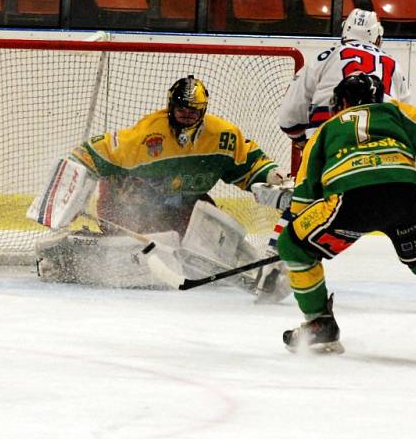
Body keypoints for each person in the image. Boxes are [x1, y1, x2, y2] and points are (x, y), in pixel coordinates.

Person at [258, 72, 416, 360]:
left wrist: (298, 238)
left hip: (350, 204)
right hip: (404, 200)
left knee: (292, 245)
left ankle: (320, 324)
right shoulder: (396, 112)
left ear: (340, 102)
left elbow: (305, 194)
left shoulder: (326, 129)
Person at [27, 75, 290, 300]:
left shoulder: (223, 137)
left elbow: (252, 164)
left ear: (203, 110)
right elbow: (88, 153)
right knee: (144, 251)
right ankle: (62, 255)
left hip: (183, 204)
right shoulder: (146, 137)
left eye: (194, 110)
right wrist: (66, 196)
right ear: (170, 107)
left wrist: (272, 177)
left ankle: (257, 272)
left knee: (204, 236)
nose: (187, 115)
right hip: (126, 203)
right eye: (181, 109)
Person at [278, 8, 412, 151]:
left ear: (345, 30)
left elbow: (290, 115)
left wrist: (302, 141)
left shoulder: (324, 57)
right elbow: (405, 117)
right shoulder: (395, 66)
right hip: (381, 149)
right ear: (378, 36)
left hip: (329, 143)